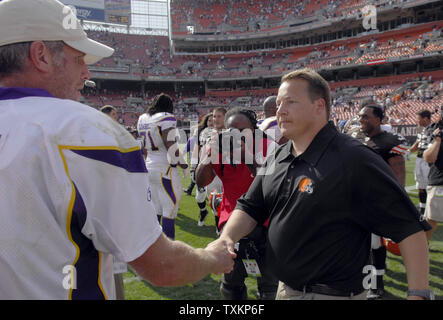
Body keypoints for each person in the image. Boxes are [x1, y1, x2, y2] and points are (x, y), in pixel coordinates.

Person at [0, 0, 234, 299]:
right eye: (78, 58)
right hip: (163, 170)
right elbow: (162, 266)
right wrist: (212, 257)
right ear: (41, 55)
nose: (86, 73)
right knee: (167, 213)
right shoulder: (83, 130)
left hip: (150, 166)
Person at [208, 68, 432, 300]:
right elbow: (250, 206)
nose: (280, 111)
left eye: (290, 102)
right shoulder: (279, 155)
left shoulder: (354, 159)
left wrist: (418, 294)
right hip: (285, 289)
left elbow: (409, 229)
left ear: (319, 106)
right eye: (278, 103)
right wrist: (226, 239)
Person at [196, 107, 278, 300]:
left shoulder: (268, 145)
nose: (237, 135)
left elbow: (272, 185)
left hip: (266, 223)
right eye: (232, 130)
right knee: (230, 286)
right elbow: (201, 181)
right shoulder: (220, 145)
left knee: (269, 288)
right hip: (232, 224)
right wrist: (208, 157)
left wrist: (246, 156)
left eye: (243, 131)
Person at [358, 98, 409, 300]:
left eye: (365, 116)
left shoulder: (390, 142)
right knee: (362, 244)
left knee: (375, 245)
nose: (361, 119)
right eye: (360, 116)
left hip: (378, 202)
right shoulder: (356, 137)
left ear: (378, 119)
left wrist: (393, 204)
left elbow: (399, 177)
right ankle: (367, 282)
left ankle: (376, 285)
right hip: (357, 200)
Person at [137, 93, 188, 240]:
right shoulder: (166, 117)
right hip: (164, 168)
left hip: (149, 166)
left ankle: (152, 245)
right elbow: (170, 144)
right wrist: (183, 165)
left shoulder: (142, 118)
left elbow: (144, 148)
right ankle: (169, 250)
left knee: (156, 209)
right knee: (169, 210)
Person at [192, 108, 225, 229]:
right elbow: (200, 151)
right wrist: (194, 167)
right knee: (210, 198)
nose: (215, 120)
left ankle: (220, 225)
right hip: (209, 168)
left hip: (225, 170)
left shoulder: (231, 132)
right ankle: (213, 220)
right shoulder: (205, 133)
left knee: (222, 199)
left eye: (218, 116)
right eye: (213, 117)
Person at [408, 110, 435, 215]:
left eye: (418, 118)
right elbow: (417, 143)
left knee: (430, 186)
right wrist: (408, 152)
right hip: (419, 160)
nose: (416, 121)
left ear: (425, 119)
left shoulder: (435, 129)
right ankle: (423, 209)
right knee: (420, 186)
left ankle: (431, 209)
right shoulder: (421, 129)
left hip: (428, 161)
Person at [423, 126, 443, 241]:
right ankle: (423, 247)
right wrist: (437, 140)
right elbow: (428, 157)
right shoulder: (438, 135)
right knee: (431, 220)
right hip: (440, 183)